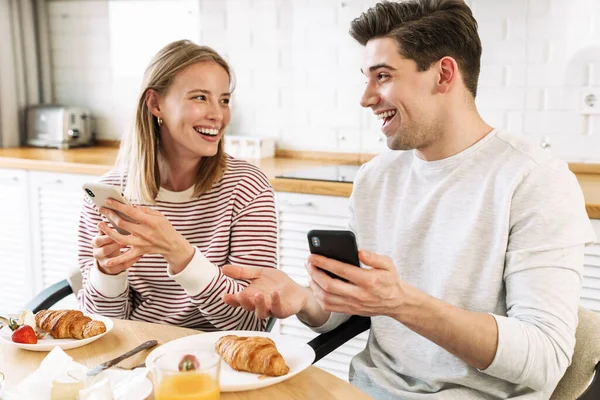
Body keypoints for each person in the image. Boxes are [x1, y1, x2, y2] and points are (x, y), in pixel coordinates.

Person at [222, 0, 597, 398]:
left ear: (443, 74)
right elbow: (351, 310)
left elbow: (546, 359)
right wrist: (304, 300)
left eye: (382, 76)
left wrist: (400, 303)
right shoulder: (376, 178)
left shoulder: (534, 180)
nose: (366, 98)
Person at [77, 40, 277, 332]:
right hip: (136, 358)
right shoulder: (109, 197)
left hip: (218, 361)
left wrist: (179, 252)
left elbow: (249, 323)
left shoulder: (246, 188)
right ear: (156, 104)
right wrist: (109, 273)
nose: (218, 115)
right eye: (199, 97)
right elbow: (100, 326)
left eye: (224, 100)